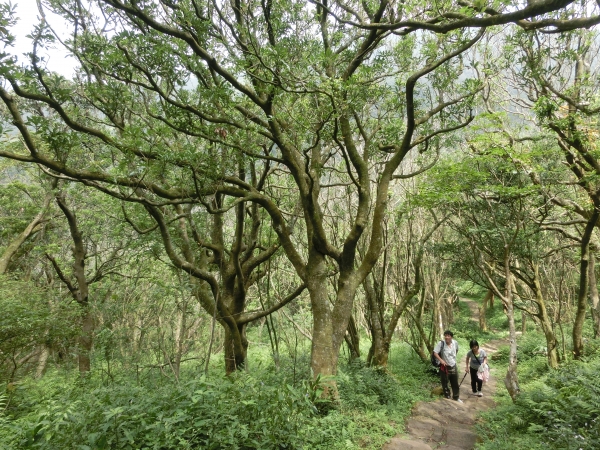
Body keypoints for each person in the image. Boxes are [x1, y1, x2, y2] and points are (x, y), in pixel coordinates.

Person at [433, 330, 462, 402]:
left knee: (455, 382)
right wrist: (441, 360)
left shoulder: (455, 343)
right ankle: (447, 396)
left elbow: (457, 350)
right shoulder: (441, 343)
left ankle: (456, 397)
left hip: (453, 365)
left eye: (448, 336)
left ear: (451, 337)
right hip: (444, 367)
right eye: (445, 335)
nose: (446, 337)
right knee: (445, 382)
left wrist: (453, 359)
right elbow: (435, 353)